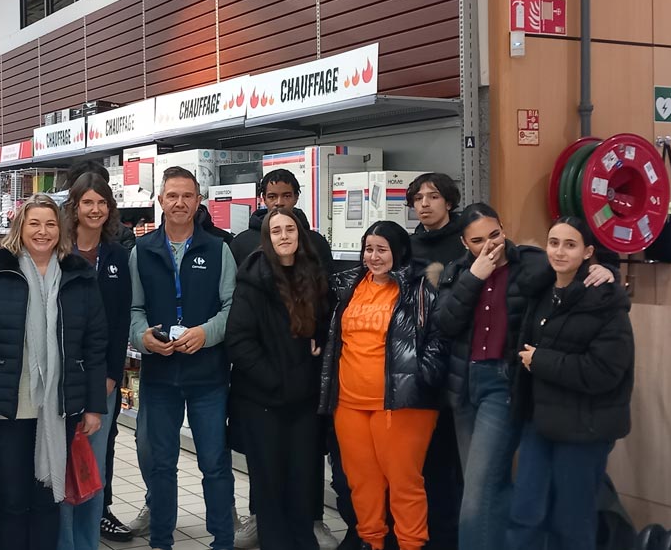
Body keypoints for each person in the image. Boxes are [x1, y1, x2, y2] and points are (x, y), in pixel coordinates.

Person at [431, 204, 612, 550]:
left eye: (495, 235)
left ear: (503, 228)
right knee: (481, 488)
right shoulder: (457, 271)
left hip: (503, 383)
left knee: (479, 493)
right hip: (465, 384)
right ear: (464, 243)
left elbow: (572, 266)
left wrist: (605, 270)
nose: (490, 246)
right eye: (477, 241)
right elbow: (446, 323)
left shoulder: (529, 262)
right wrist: (474, 276)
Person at [0, 194, 108, 550]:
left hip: (59, 407)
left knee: (47, 499)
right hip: (3, 408)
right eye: (34, 223)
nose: (43, 231)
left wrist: (94, 406)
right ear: (19, 228)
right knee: (12, 499)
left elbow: (94, 344)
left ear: (61, 230)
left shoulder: (78, 276)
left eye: (50, 224)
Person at [506, 217, 633, 550]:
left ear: (588, 252)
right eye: (553, 243)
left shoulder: (605, 300)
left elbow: (605, 370)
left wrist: (541, 361)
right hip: (539, 421)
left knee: (571, 522)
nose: (559, 252)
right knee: (524, 514)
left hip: (584, 427)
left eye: (570, 245)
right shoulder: (541, 291)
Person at [130, 166, 237, 550]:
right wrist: (143, 338)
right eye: (172, 196)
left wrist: (206, 333)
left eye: (187, 196)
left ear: (198, 201)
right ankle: (161, 541)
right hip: (159, 377)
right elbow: (133, 309)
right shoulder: (141, 251)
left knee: (214, 464)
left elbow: (232, 307)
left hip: (208, 376)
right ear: (160, 200)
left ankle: (223, 541)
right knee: (161, 465)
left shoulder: (219, 249)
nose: (179, 203)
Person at [320, 221, 444, 550]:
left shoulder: (419, 287)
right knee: (362, 484)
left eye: (381, 250)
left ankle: (411, 545)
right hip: (349, 403)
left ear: (398, 252)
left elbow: (438, 336)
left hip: (400, 404)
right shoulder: (348, 285)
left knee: (404, 483)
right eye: (368, 249)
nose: (373, 257)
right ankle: (372, 542)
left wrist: (421, 376)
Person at [226, 208, 329, 550]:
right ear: (267, 239)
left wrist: (319, 340)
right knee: (269, 485)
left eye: (290, 229)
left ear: (300, 235)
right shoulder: (253, 280)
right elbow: (239, 341)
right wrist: (276, 380)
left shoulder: (312, 274)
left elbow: (325, 324)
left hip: (304, 401)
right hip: (263, 401)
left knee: (302, 482)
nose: (284, 236)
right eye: (276, 231)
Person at [59, 174, 133, 550]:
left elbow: (121, 322)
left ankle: (87, 542)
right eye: (88, 202)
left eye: (102, 203)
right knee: (58, 466)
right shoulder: (57, 251)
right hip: (60, 377)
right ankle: (63, 541)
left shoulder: (117, 256)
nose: (95, 209)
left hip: (100, 379)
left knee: (93, 466)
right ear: (74, 207)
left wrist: (111, 374)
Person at [405, 172, 465, 550]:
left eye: (433, 197)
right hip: (416, 363)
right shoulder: (408, 245)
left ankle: (449, 538)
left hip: (456, 364)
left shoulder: (465, 241)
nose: (425, 204)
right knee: (419, 463)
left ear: (449, 201)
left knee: (450, 465)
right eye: (418, 198)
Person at [229, 168, 333, 263]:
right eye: (272, 197)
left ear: (296, 198)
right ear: (264, 199)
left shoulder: (316, 243)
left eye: (286, 196)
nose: (279, 202)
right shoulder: (241, 244)